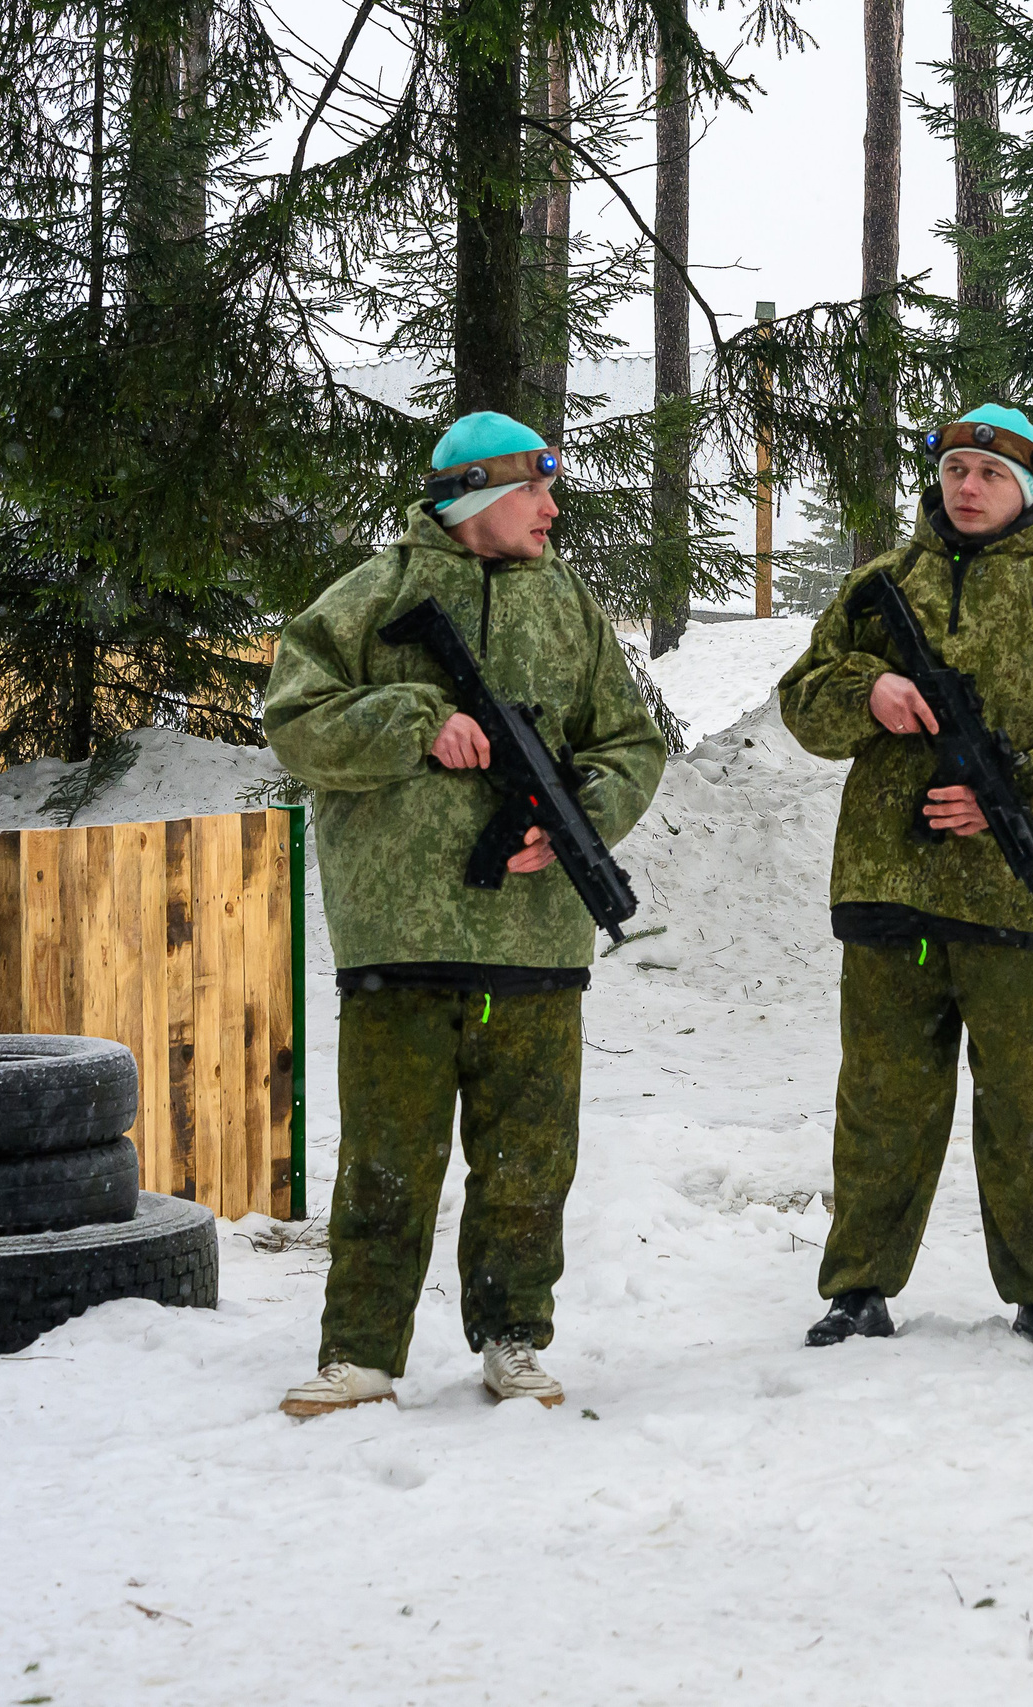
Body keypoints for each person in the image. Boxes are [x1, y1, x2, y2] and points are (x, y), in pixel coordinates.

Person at [266, 411, 666, 1416]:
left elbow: (630, 743)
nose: (552, 508)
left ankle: (513, 1337)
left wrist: (579, 820)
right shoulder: (373, 596)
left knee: (529, 1163)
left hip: (535, 940)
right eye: (535, 489)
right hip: (397, 935)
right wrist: (416, 721)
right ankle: (360, 1353)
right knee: (385, 1161)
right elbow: (296, 722)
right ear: (478, 495)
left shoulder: (569, 607)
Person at [778, 405, 1033, 1355]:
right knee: (880, 1104)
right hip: (889, 886)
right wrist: (868, 691)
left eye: (988, 474)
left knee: (1029, 1105)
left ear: (1027, 490)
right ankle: (858, 1287)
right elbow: (803, 703)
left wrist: (1014, 795)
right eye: (954, 470)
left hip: (1017, 899)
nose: (967, 486)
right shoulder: (880, 588)